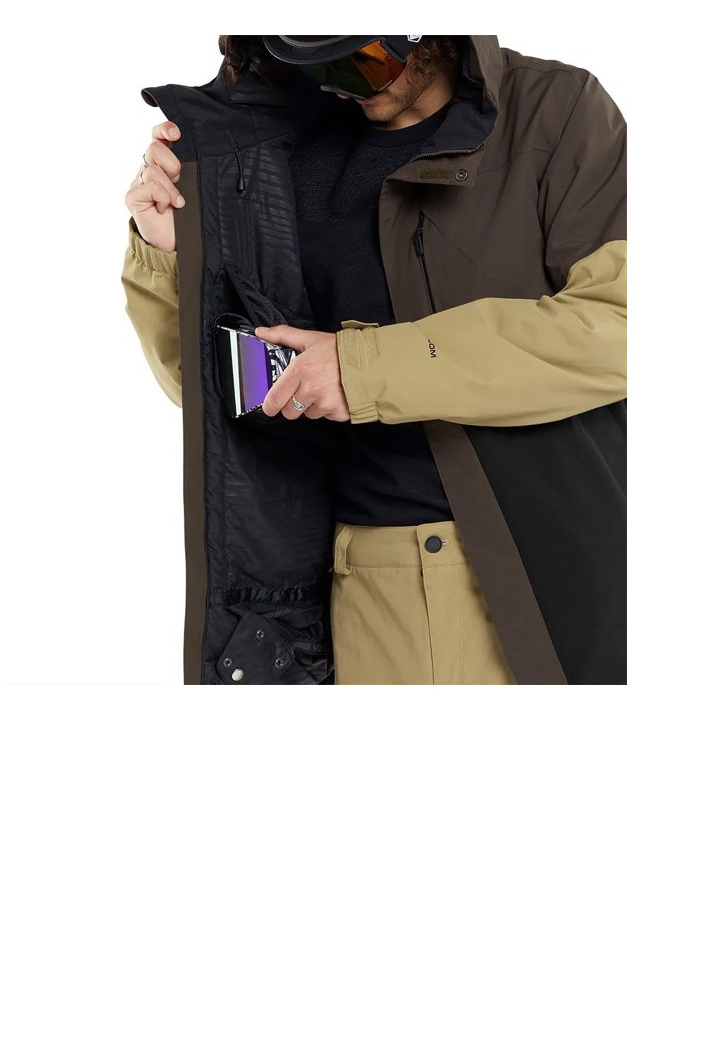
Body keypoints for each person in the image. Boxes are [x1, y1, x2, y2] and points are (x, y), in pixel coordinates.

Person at [122, 36, 626, 685]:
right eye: (314, 65)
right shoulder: (280, 147)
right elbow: (222, 396)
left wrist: (363, 368)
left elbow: (618, 324)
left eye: (362, 59)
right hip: (349, 580)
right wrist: (172, 252)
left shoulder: (553, 111)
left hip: (534, 565)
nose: (341, 85)